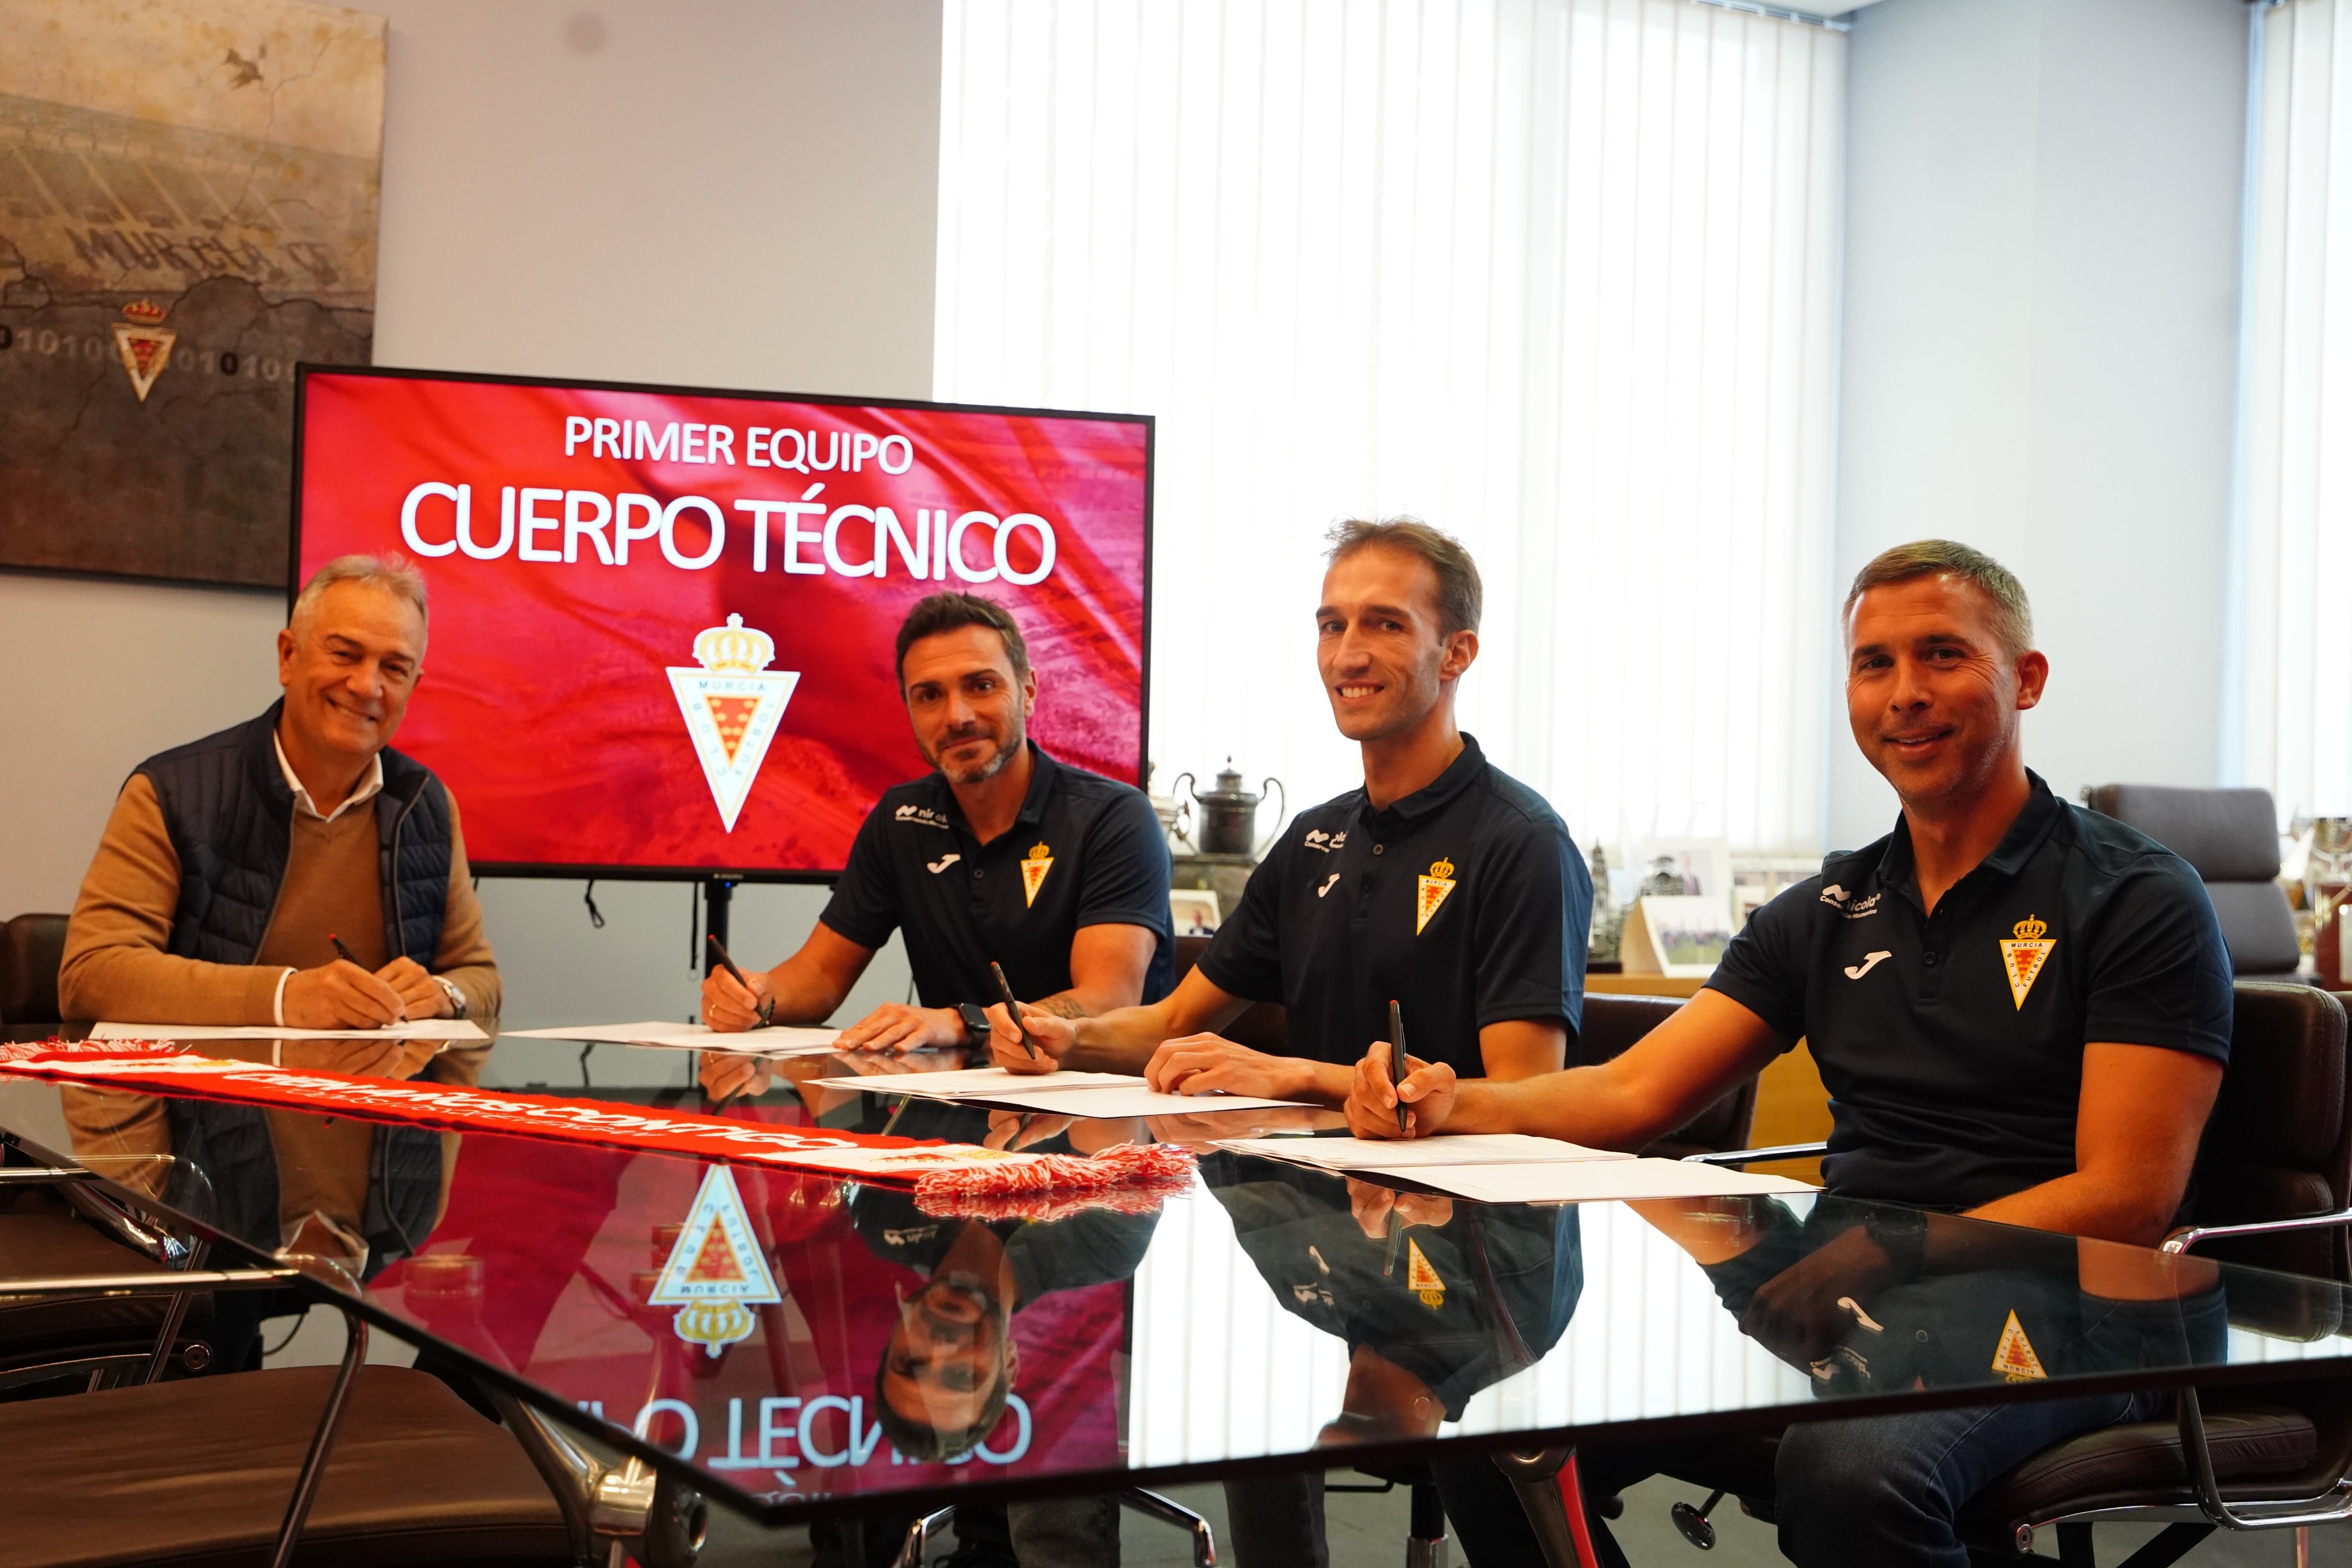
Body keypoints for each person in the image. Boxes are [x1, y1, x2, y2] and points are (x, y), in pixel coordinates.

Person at [1346, 540, 2234, 1568]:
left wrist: (1891, 1246)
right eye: (1874, 664)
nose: (1904, 694)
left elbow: (2128, 1193)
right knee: (1497, 1424)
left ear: (2025, 679)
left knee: (1851, 1475)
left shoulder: (2134, 896)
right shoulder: (1829, 907)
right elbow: (1634, 1091)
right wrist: (1450, 1101)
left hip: (2084, 1308)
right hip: (1870, 1291)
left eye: (1942, 656)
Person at [987, 517, 1592, 1105]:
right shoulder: (1314, 837)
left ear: (1456, 653)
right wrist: (1065, 1037)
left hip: (1460, 1205)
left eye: (1386, 625)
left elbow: (1524, 1098)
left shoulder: (1525, 841)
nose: (1348, 656)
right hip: (1319, 1190)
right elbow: (1172, 1019)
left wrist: (1298, 1076)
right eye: (1332, 626)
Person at [698, 593, 1174, 1074]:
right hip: (951, 1109)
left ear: (1028, 691)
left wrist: (962, 1023)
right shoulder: (901, 816)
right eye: (929, 695)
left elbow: (1109, 998)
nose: (956, 716)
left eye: (982, 686)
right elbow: (821, 972)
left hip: (1104, 1112)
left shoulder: (1115, 816)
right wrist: (761, 996)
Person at [60, 552, 499, 1028]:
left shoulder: (426, 803)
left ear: (414, 687)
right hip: (196, 1097)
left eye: (394, 668)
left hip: (366, 1098)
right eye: (345, 653)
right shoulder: (174, 792)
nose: (366, 685)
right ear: (288, 656)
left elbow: (479, 976)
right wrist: (284, 997)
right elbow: (91, 974)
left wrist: (443, 992)